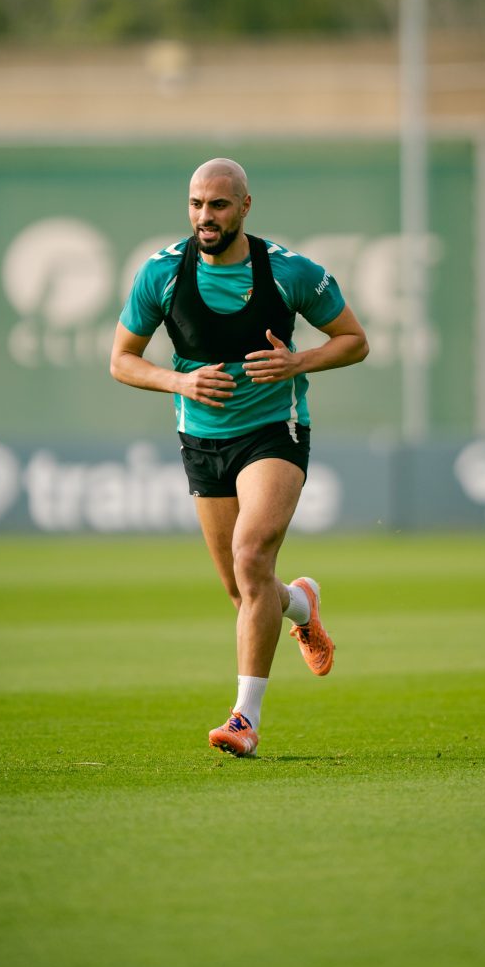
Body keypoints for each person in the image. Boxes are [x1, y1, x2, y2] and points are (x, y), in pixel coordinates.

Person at [109, 158, 369, 757]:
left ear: (245, 207)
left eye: (219, 205)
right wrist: (181, 383)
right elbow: (122, 359)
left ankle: (243, 722)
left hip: (273, 430)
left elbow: (355, 340)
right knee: (242, 588)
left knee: (251, 556)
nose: (206, 216)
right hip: (202, 439)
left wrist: (295, 362)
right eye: (197, 204)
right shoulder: (162, 274)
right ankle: (301, 603)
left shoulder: (289, 272)